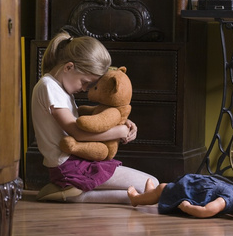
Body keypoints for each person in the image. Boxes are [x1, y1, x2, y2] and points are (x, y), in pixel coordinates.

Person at [31, 31, 159, 203]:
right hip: (70, 166)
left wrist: (121, 121)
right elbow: (78, 133)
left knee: (146, 191)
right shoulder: (49, 87)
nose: (85, 89)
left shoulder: (59, 88)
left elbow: (84, 119)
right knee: (150, 185)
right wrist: (119, 131)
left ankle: (72, 192)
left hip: (77, 162)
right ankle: (71, 191)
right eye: (84, 82)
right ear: (68, 67)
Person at [127, 173, 233, 221]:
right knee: (164, 188)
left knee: (163, 189)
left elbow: (207, 210)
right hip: (192, 188)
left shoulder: (226, 201)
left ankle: (137, 199)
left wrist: (188, 207)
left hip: (189, 194)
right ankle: (150, 195)